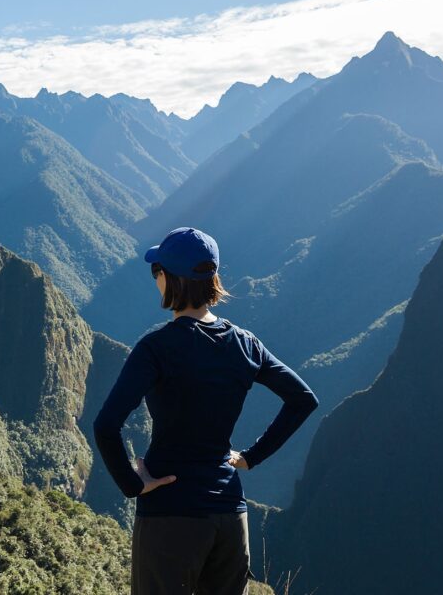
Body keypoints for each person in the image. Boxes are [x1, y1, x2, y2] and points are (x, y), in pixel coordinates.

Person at [93, 227, 319, 595]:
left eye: (157, 272)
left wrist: (135, 484)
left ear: (171, 280)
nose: (155, 281)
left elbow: (106, 426)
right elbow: (302, 399)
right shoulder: (246, 345)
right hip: (230, 514)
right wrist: (250, 457)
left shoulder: (156, 349)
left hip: (171, 514)